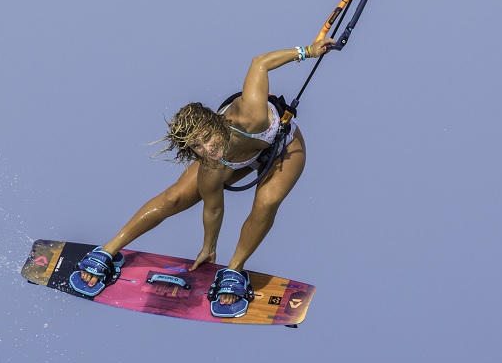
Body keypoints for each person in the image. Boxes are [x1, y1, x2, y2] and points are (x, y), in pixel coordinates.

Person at [70, 36, 335, 318]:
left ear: (215, 124)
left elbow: (260, 63)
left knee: (267, 202)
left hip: (283, 148)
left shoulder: (251, 116)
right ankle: (109, 250)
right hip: (235, 159)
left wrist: (307, 51)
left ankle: (234, 269)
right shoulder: (211, 163)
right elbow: (214, 207)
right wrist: (209, 247)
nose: (207, 148)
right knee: (175, 196)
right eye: (197, 146)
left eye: (207, 138)